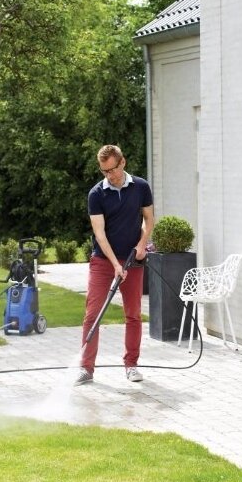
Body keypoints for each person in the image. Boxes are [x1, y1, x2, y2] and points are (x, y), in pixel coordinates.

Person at [76, 144, 155, 385]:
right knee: (93, 315)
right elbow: (100, 235)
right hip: (103, 261)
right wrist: (115, 264)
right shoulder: (96, 194)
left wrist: (142, 244)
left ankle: (131, 365)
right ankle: (86, 368)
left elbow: (149, 219)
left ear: (123, 163)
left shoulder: (141, 187)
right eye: (104, 171)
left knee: (133, 315)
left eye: (112, 169)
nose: (109, 175)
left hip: (132, 260)